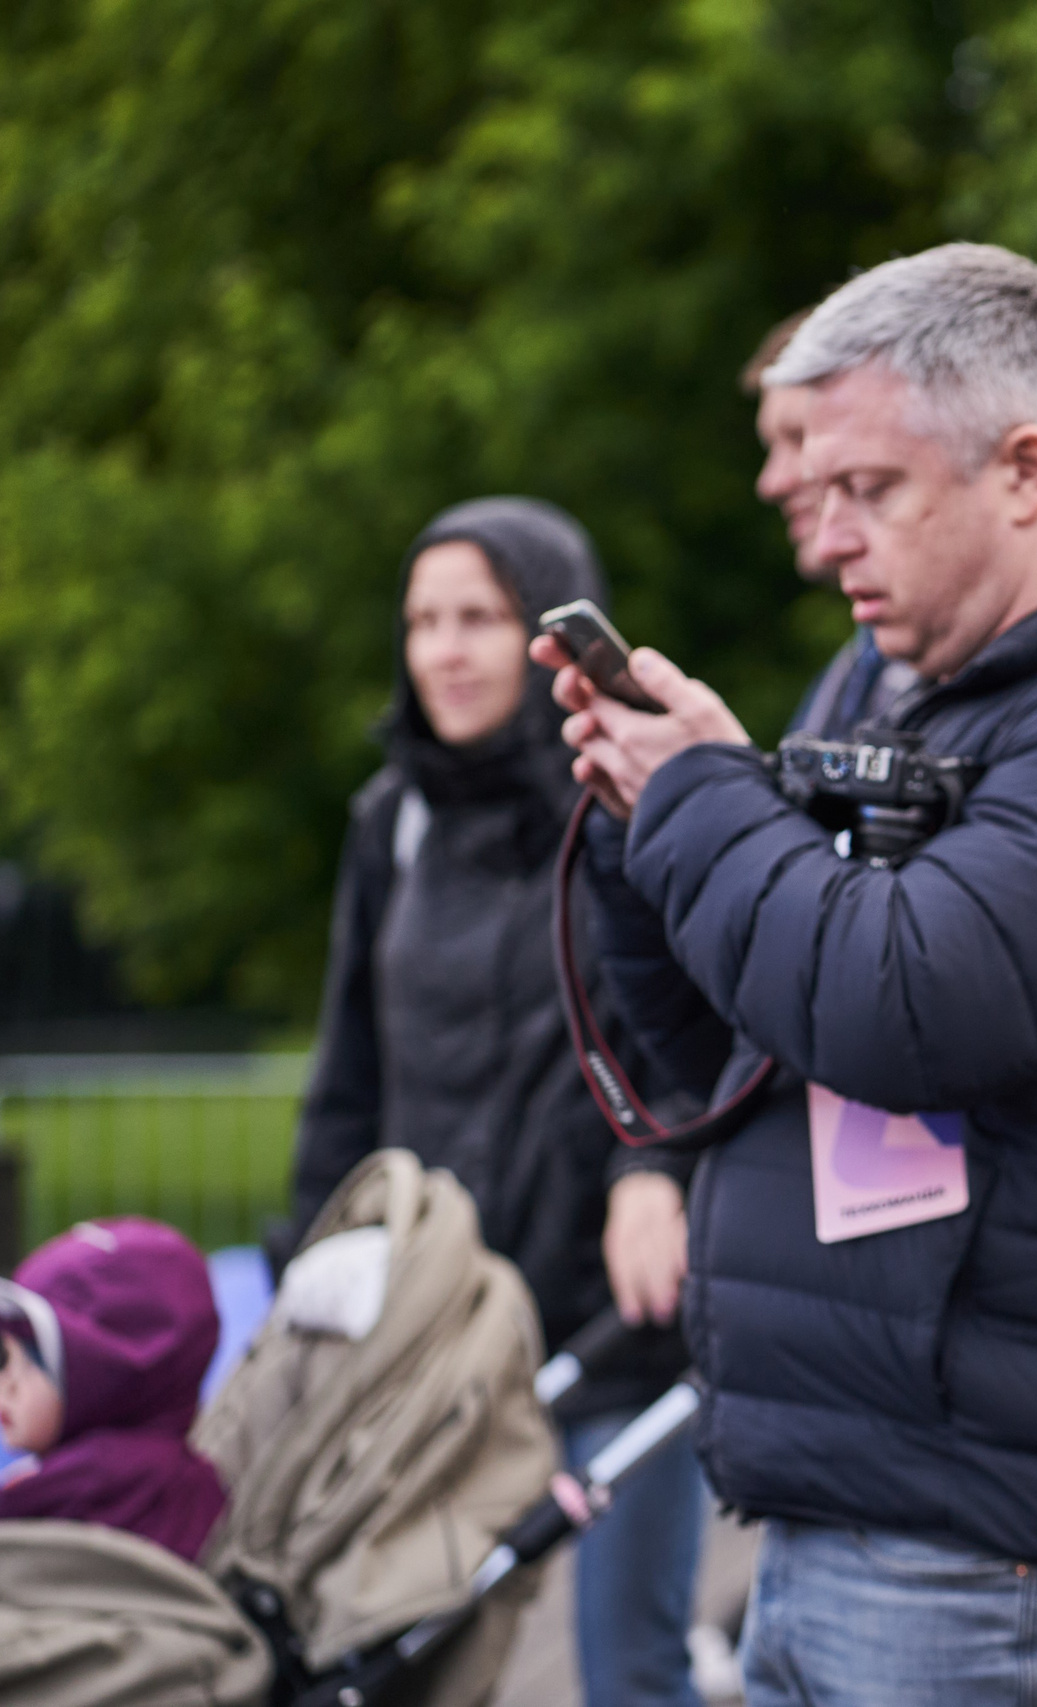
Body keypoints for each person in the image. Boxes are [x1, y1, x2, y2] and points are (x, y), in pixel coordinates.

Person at [541, 243, 1037, 1707]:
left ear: (1026, 470)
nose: (822, 540)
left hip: (998, 1540)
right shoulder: (884, 684)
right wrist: (647, 827)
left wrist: (702, 793)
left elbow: (902, 1005)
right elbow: (738, 1038)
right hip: (858, 1495)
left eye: (869, 491)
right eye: (815, 493)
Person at [281, 497, 708, 1707]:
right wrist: (311, 1256)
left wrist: (653, 1175)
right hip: (438, 1328)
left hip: (608, 1325)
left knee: (629, 1671)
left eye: (481, 616)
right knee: (413, 1662)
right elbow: (348, 1068)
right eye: (423, 620)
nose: (446, 650)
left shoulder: (630, 796)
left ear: (554, 636)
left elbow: (694, 1026)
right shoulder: (391, 822)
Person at [0, 1218, 225, 1562]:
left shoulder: (98, 1475)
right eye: (4, 1357)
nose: (7, 1384)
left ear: (111, 1380)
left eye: (35, 1361)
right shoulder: (185, 1471)